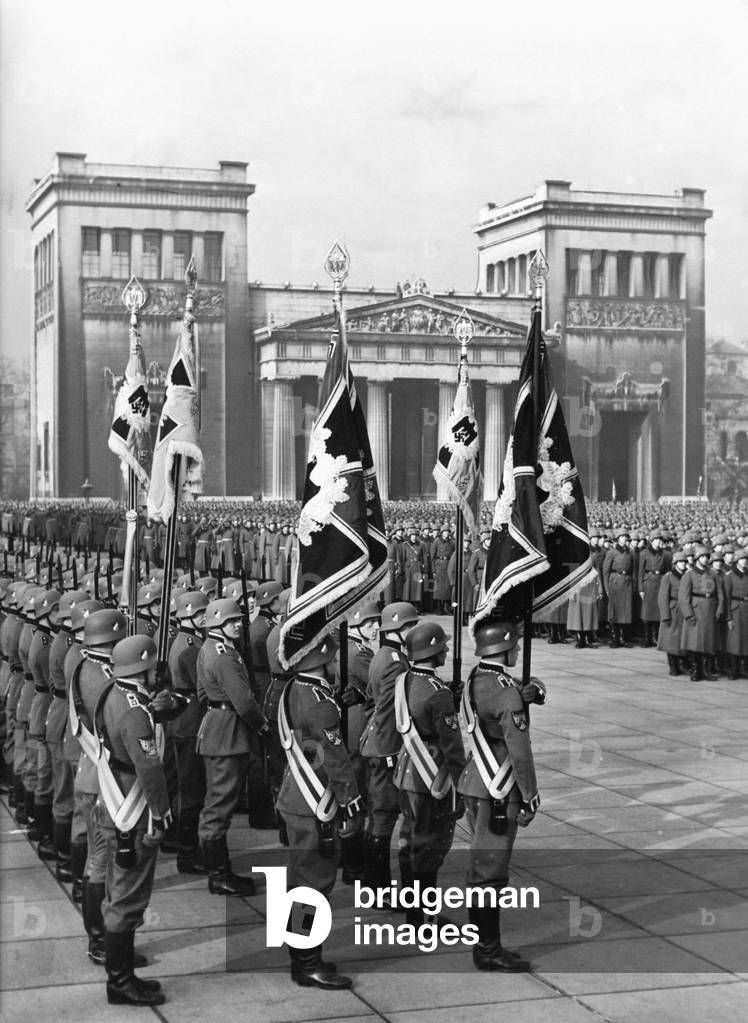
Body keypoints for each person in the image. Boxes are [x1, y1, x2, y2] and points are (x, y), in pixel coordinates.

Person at [277, 634, 363, 990]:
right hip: (315, 797)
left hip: (295, 794)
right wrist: (352, 802)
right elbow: (337, 760)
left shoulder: (294, 689)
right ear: (325, 657)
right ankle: (306, 963)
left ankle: (302, 953)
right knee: (314, 882)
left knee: (301, 878)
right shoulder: (321, 702)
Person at [459, 619, 545, 972]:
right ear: (503, 648)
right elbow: (519, 751)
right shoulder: (506, 691)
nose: (519, 650)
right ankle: (487, 951)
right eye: (516, 646)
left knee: (483, 865)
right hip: (499, 785)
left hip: (474, 779)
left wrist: (531, 690)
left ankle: (486, 947)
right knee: (490, 872)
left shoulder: (477, 678)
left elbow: (505, 697)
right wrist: (530, 795)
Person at [96, 635, 171, 1007]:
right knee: (128, 897)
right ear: (144, 666)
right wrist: (160, 812)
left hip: (114, 799)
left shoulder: (114, 694)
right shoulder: (134, 710)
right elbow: (149, 766)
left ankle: (122, 975)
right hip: (135, 810)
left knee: (118, 891)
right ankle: (120, 982)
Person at [197, 597, 271, 895]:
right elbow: (244, 700)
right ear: (217, 624)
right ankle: (219, 874)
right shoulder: (224, 654)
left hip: (217, 724)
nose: (238, 625)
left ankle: (218, 868)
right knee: (220, 804)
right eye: (231, 622)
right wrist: (261, 724)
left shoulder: (209, 648)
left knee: (217, 801)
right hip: (228, 732)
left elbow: (203, 693)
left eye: (237, 620)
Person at [394, 621, 466, 923]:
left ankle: (412, 909)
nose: (447, 650)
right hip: (430, 775)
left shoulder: (405, 680)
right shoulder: (439, 694)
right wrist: (461, 785)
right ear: (433, 650)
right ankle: (424, 918)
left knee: (410, 838)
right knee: (431, 845)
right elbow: (453, 747)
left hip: (406, 769)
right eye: (443, 646)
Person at [359, 601, 419, 898]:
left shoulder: (384, 654)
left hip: (378, 741)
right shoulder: (395, 659)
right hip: (387, 744)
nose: (414, 631)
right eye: (411, 626)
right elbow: (403, 703)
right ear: (398, 629)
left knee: (381, 813)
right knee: (383, 814)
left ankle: (375, 881)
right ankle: (378, 885)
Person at [167, 590, 209, 873]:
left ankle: (184, 845)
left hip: (181, 719)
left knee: (185, 785)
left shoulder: (180, 639)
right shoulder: (191, 646)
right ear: (192, 615)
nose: (206, 618)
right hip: (191, 721)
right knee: (193, 790)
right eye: (202, 613)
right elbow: (203, 685)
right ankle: (188, 852)